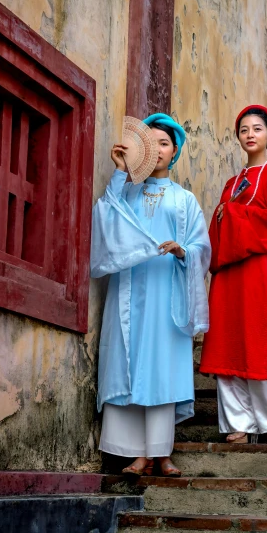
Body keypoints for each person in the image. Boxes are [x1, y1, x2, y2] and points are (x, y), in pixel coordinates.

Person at [91, 113, 211, 476]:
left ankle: (161, 453)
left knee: (161, 369)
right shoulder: (125, 191)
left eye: (164, 143)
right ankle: (135, 453)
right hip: (129, 292)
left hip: (167, 293)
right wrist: (118, 172)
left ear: (174, 151)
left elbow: (202, 247)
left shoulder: (184, 199)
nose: (157, 149)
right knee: (131, 362)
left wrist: (183, 252)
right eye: (151, 142)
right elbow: (105, 221)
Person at [199, 104, 267, 444]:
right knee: (227, 343)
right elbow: (219, 225)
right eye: (244, 129)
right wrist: (226, 215)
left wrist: (235, 217)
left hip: (259, 268)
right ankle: (237, 423)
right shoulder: (232, 184)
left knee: (262, 343)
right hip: (229, 273)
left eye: (257, 129)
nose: (250, 135)